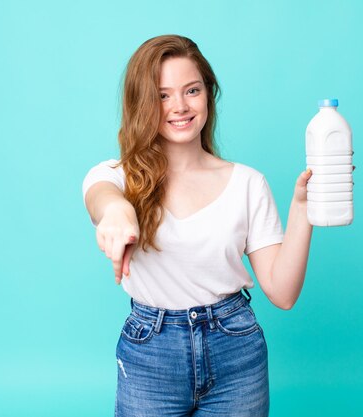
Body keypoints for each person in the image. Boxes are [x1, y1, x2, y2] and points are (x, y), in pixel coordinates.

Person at [82, 34, 314, 417]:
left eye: (192, 90)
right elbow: (100, 195)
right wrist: (117, 212)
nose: (180, 106)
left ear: (208, 94)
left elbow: (283, 293)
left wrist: (303, 207)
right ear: (143, 103)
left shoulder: (247, 183)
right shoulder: (119, 177)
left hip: (235, 349)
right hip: (151, 353)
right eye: (162, 95)